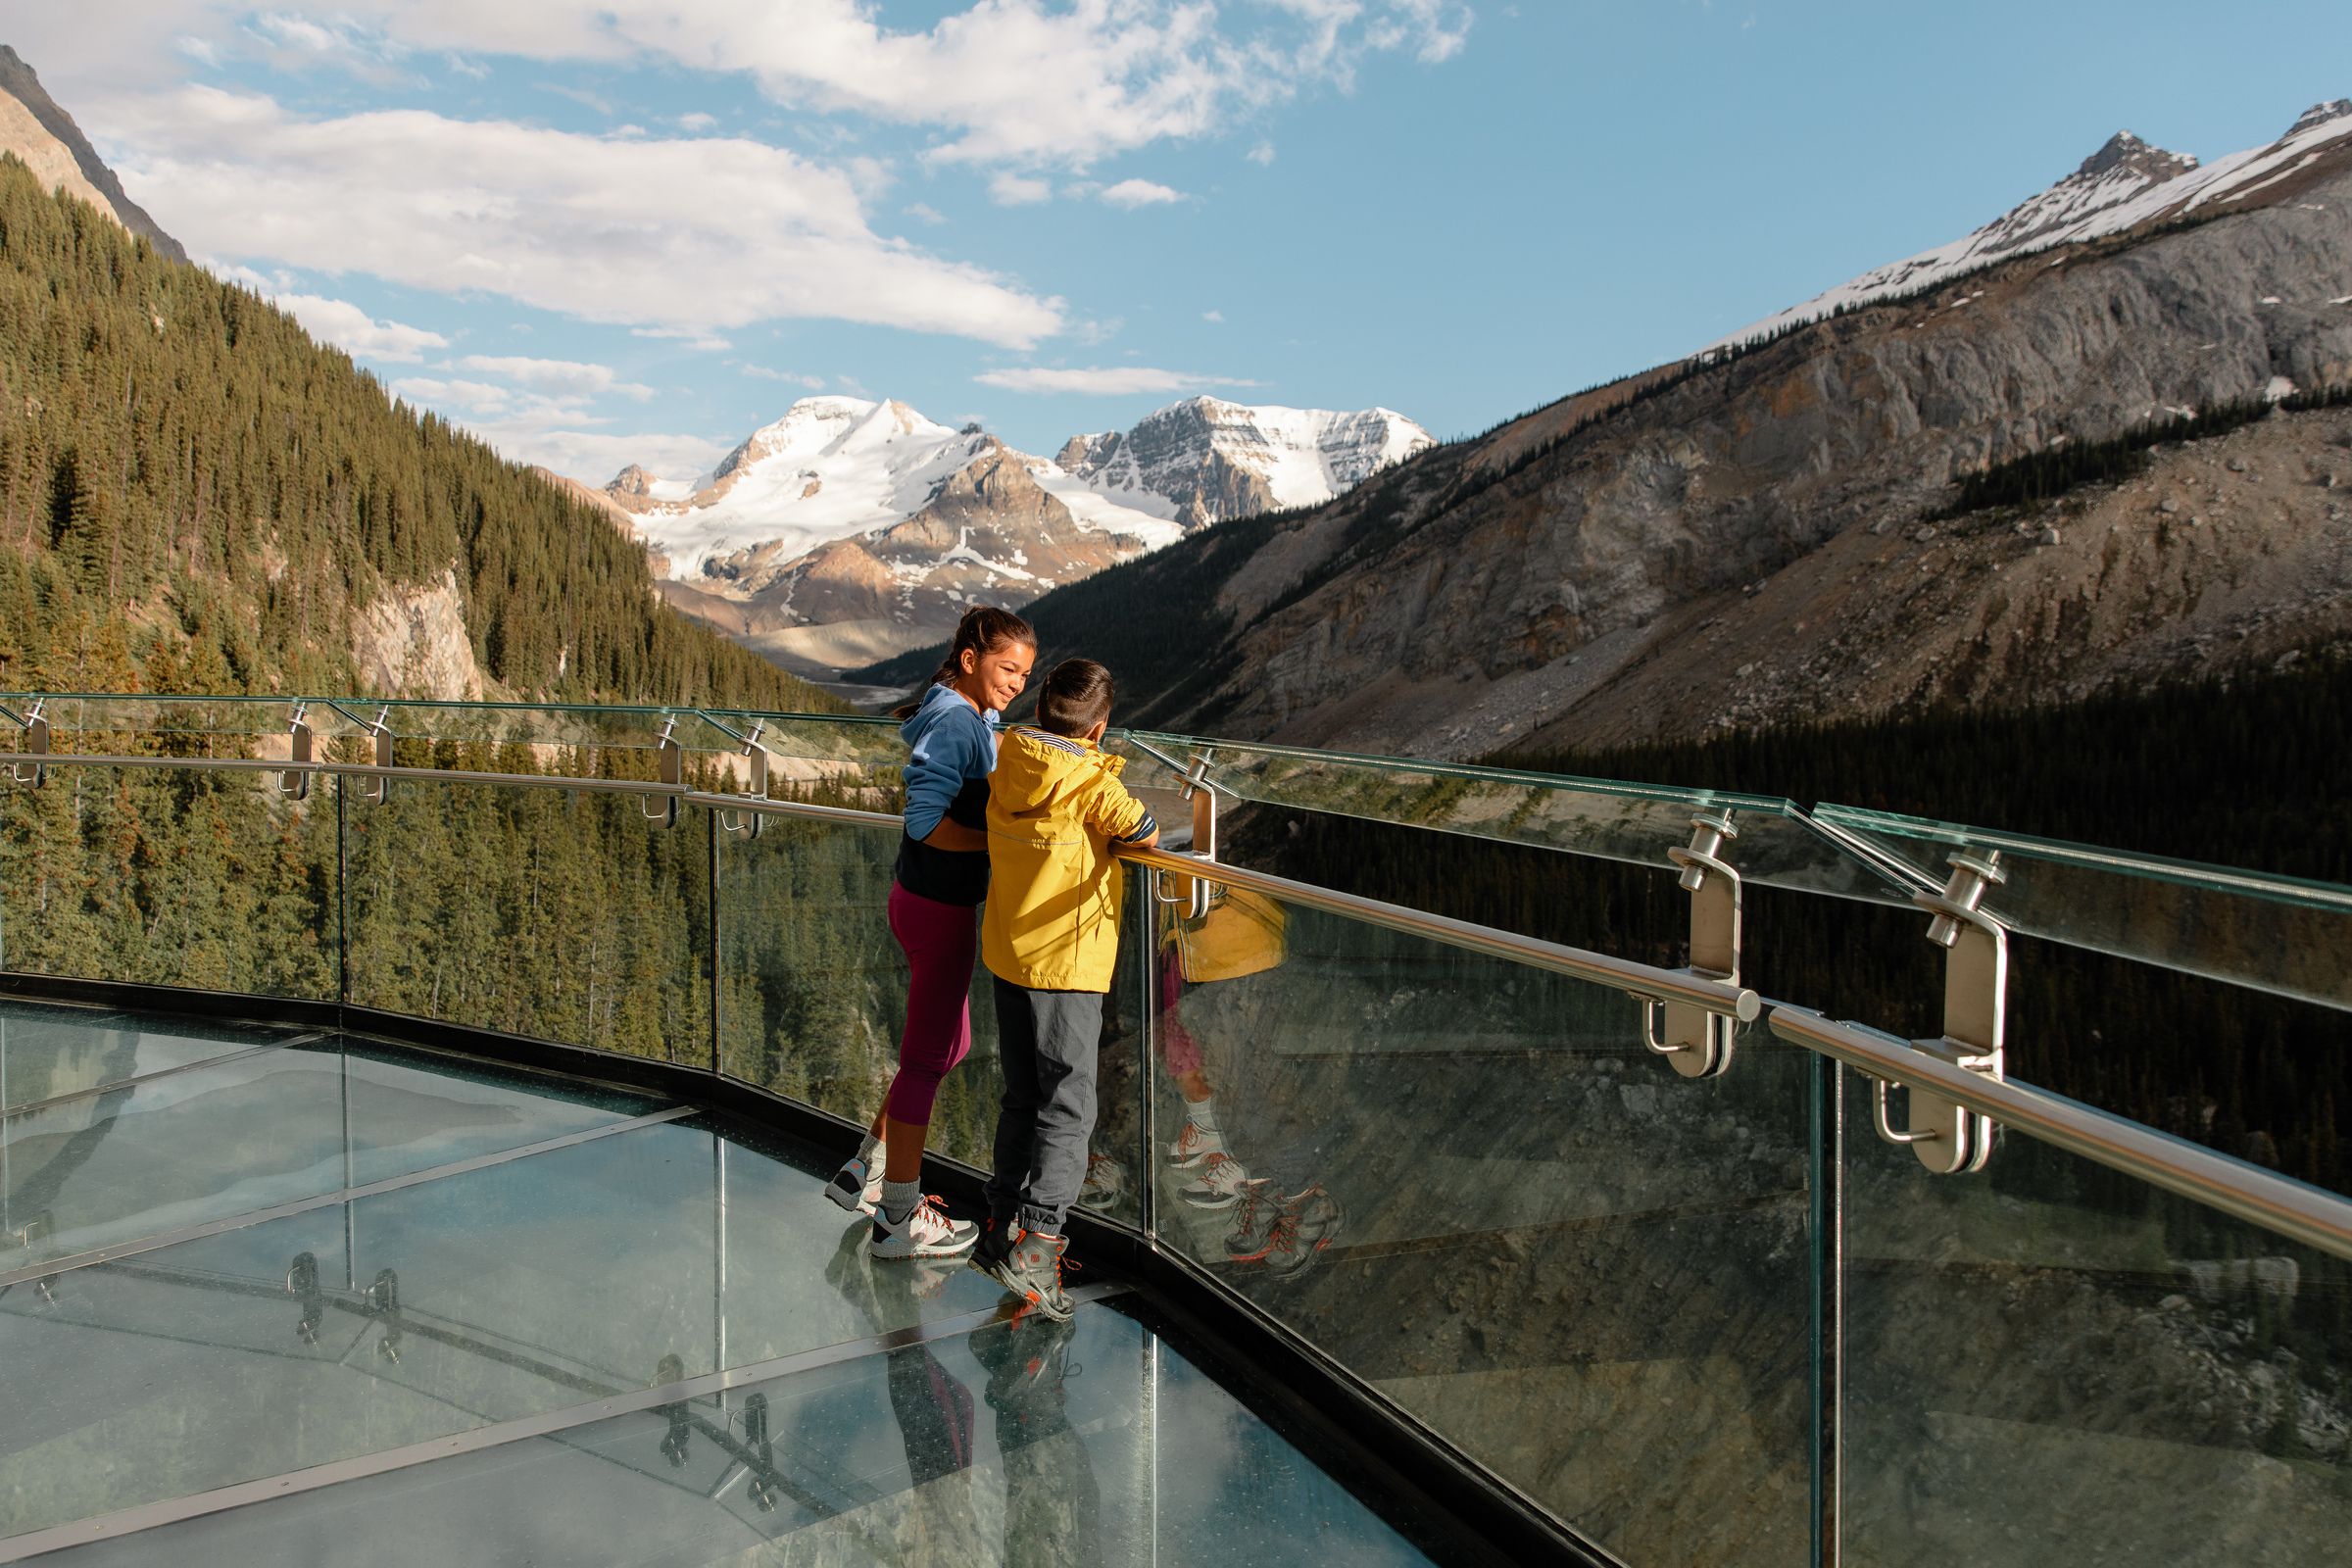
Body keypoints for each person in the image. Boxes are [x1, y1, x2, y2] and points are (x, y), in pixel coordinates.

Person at [825, 605, 1037, 1260]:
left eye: (1026, 673)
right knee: (926, 1059)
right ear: (972, 660)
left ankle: (866, 1170)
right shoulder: (952, 719)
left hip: (922, 901)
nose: (1017, 682)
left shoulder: (965, 710)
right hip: (939, 909)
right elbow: (924, 823)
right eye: (1007, 668)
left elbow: (988, 746)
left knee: (948, 1046)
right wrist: (1004, 840)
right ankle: (897, 1219)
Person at [970, 659, 1158, 1318]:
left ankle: (998, 1230)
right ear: (1100, 728)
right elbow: (1144, 831)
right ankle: (1040, 1247)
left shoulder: (1007, 758)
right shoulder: (1089, 781)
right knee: (1069, 1108)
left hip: (1009, 955)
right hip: (1068, 967)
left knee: (1023, 1097)